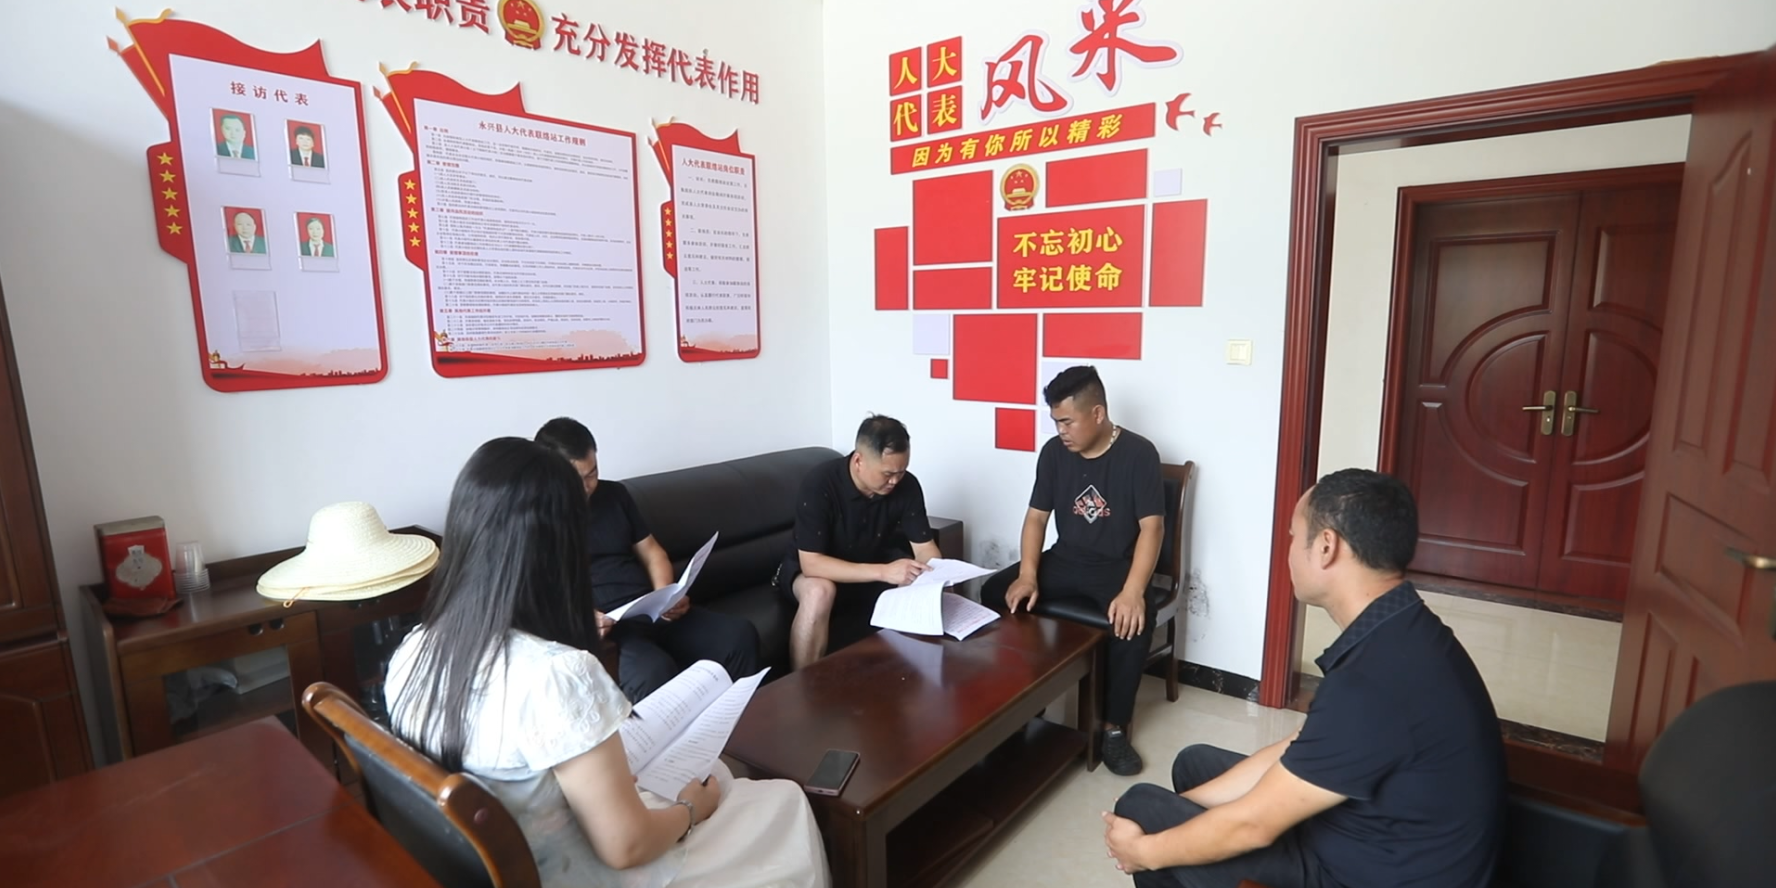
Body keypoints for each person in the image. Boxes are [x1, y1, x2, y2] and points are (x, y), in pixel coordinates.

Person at [384, 437, 829, 888]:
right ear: (557, 547)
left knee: (713, 765)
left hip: (516, 850)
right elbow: (626, 846)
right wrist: (691, 810)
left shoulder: (412, 651)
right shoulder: (556, 673)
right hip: (582, 870)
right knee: (783, 798)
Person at [1102, 469, 1504, 888]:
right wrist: (1183, 811)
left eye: (1294, 537)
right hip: (1370, 838)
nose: (1288, 551)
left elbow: (1253, 827)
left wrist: (1144, 851)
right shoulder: (1403, 631)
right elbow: (1297, 748)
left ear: (1326, 547)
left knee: (1142, 809)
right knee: (1194, 764)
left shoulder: (1372, 681)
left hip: (1360, 875)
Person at [982, 365, 1165, 776]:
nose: (1061, 431)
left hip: (1115, 568)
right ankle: (1025, 700)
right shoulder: (1054, 453)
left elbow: (1152, 528)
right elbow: (1036, 519)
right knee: (997, 592)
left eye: (1067, 421)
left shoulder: (1139, 454)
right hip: (1065, 560)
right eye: (1056, 422)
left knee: (1132, 623)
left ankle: (1113, 728)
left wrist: (1133, 591)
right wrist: (1028, 575)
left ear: (1097, 413)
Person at [536, 418, 760, 703]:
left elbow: (653, 552)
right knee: (653, 671)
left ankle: (742, 725)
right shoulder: (533, 520)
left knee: (738, 636)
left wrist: (666, 595)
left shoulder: (614, 495)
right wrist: (581, 618)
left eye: (592, 474)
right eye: (574, 480)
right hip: (607, 630)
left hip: (648, 610)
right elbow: (539, 594)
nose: (587, 487)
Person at [778, 414, 939, 670]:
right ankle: (801, 684)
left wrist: (936, 573)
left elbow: (925, 548)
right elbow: (812, 564)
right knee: (820, 592)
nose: (895, 481)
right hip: (815, 571)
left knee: (919, 580)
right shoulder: (820, 484)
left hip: (872, 561)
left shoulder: (906, 485)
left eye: (901, 472)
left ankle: (904, 677)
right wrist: (884, 572)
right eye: (887, 474)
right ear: (859, 461)